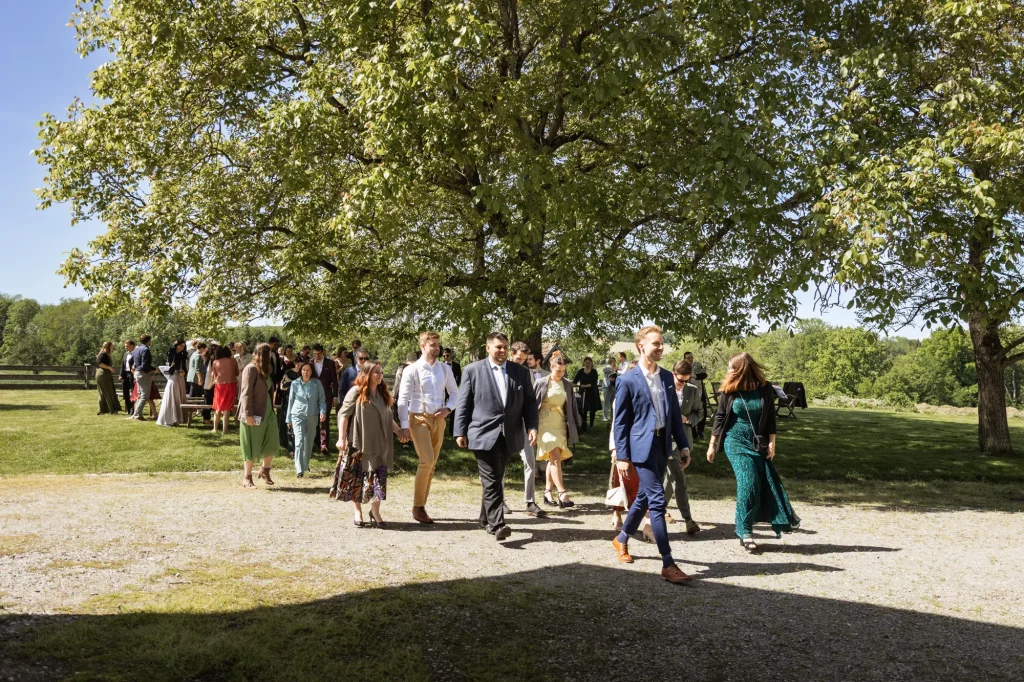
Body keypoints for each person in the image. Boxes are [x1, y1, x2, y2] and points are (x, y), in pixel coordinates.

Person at [610, 326, 693, 584]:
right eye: (655, 343)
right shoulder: (627, 380)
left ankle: (621, 539)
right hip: (640, 449)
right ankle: (668, 563)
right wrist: (622, 456)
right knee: (657, 501)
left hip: (662, 446)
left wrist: (684, 446)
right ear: (641, 346)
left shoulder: (668, 377)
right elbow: (620, 423)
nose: (660, 347)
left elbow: (673, 418)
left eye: (662, 343)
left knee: (644, 498)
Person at [706, 352, 800, 552]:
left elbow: (771, 419)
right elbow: (720, 417)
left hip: (757, 442)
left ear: (742, 369)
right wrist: (712, 444)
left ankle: (748, 524)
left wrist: (772, 443)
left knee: (758, 484)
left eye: (732, 367)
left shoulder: (765, 388)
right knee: (748, 483)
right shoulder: (729, 389)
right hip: (735, 441)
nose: (728, 370)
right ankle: (744, 531)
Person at [454, 332, 539, 543]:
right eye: (498, 347)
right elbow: (464, 402)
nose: (502, 351)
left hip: (509, 434)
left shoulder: (519, 372)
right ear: (488, 348)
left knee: (495, 476)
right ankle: (497, 524)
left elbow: (529, 402)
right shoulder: (473, 370)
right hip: (483, 432)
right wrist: (459, 430)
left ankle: (484, 518)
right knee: (492, 478)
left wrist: (532, 426)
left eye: (504, 347)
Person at [333, 361, 405, 528]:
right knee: (356, 478)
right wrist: (341, 438)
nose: (380, 375)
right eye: (376, 372)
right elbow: (343, 415)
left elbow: (388, 418)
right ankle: (357, 511)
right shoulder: (356, 392)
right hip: (358, 443)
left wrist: (399, 431)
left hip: (380, 444)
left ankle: (375, 512)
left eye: (381, 372)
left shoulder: (382, 393)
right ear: (367, 374)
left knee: (378, 479)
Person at [396, 332, 459, 524]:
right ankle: (418, 506)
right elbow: (402, 400)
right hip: (418, 418)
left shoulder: (444, 369)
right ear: (423, 346)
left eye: (438, 345)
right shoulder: (412, 370)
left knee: (432, 465)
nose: (437, 348)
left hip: (438, 419)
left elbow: (456, 393)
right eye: (432, 345)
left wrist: (448, 408)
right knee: (426, 460)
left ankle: (421, 504)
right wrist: (404, 426)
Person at [537, 351, 582, 508]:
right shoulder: (541, 383)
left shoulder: (567, 384)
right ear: (551, 367)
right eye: (558, 371)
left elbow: (572, 407)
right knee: (555, 457)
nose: (560, 374)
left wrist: (577, 424)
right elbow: (531, 405)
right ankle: (562, 493)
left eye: (563, 371)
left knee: (553, 459)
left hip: (560, 424)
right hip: (544, 424)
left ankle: (548, 492)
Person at [507, 342, 547, 517]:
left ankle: (529, 501)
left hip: (523, 424)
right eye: (518, 359)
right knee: (500, 463)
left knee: (530, 461)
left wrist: (532, 426)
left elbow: (531, 402)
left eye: (524, 360)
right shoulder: (502, 371)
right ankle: (499, 500)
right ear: (511, 354)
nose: (521, 362)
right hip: (504, 424)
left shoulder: (527, 373)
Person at [666, 360, 702, 535]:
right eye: (680, 380)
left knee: (672, 478)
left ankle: (658, 511)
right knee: (678, 479)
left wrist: (686, 420)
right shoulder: (663, 388)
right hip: (663, 440)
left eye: (686, 380)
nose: (683, 384)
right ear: (673, 374)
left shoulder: (692, 391)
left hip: (683, 440)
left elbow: (699, 413)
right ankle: (688, 519)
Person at [238, 343, 280, 487]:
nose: (270, 355)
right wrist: (248, 414)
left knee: (273, 441)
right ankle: (247, 477)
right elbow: (246, 393)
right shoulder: (250, 369)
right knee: (251, 444)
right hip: (253, 413)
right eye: (267, 352)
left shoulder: (266, 370)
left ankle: (265, 469)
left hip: (268, 412)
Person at [607, 360, 640, 530]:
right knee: (621, 480)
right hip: (623, 444)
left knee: (640, 482)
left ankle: (640, 517)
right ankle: (617, 512)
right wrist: (614, 448)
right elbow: (616, 424)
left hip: (642, 444)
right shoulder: (621, 394)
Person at [286, 361, 326, 477]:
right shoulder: (295, 383)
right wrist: (289, 419)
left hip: (312, 416)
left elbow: (322, 400)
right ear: (301, 371)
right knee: (299, 442)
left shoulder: (317, 383)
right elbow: (291, 401)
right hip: (297, 415)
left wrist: (322, 412)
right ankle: (299, 469)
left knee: (308, 443)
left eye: (308, 370)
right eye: (304, 370)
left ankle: (305, 464)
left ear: (312, 371)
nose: (306, 372)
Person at [310, 343, 339, 454]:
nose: (316, 356)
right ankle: (316, 442)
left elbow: (334, 381)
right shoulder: (310, 364)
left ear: (323, 352)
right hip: (312, 395)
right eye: (315, 354)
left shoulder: (330, 363)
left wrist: (335, 396)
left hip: (326, 394)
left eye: (319, 354)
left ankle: (324, 444)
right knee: (314, 419)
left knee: (324, 419)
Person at [157, 339, 188, 427]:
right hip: (173, 377)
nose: (181, 348)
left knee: (179, 397)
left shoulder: (182, 355)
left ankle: (177, 419)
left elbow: (185, 367)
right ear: (176, 345)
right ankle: (168, 419)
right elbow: (170, 363)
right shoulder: (172, 353)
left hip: (180, 378)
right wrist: (174, 349)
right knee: (172, 396)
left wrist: (184, 372)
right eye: (180, 345)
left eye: (183, 346)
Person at [276, 356, 302, 459]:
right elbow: (283, 387)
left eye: (301, 363)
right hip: (288, 400)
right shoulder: (288, 372)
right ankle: (290, 446)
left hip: (300, 400)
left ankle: (298, 446)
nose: (299, 365)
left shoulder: (304, 373)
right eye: (297, 363)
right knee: (289, 423)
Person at [212, 345, 239, 434]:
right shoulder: (233, 361)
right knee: (227, 408)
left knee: (218, 407)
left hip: (219, 385)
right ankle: (225, 430)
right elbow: (237, 373)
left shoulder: (215, 362)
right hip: (231, 385)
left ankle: (215, 428)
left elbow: (215, 376)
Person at [131, 334, 157, 421]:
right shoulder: (145, 350)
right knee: (145, 395)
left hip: (137, 372)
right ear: (148, 341)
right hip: (143, 373)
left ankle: (136, 414)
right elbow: (145, 365)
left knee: (140, 394)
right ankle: (138, 415)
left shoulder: (136, 349)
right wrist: (153, 371)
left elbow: (132, 361)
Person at [572, 356, 601, 431]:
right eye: (586, 363)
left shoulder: (594, 372)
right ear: (584, 363)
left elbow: (593, 382)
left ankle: (591, 424)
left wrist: (585, 385)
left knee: (592, 409)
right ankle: (584, 423)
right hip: (583, 392)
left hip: (592, 392)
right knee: (583, 408)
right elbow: (575, 381)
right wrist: (573, 385)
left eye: (589, 363)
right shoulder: (581, 371)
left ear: (591, 363)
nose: (587, 364)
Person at [95, 342, 120, 415]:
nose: (113, 348)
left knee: (103, 392)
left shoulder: (105, 354)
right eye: (112, 346)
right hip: (103, 374)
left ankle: (102, 410)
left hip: (104, 374)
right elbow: (99, 363)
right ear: (108, 347)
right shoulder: (103, 354)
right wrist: (109, 367)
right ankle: (112, 410)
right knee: (108, 392)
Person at [201, 344, 217, 425]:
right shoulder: (211, 359)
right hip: (209, 382)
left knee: (207, 400)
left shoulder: (206, 358)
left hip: (207, 382)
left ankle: (206, 418)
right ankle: (206, 418)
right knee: (208, 401)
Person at [119, 340, 136, 411]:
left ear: (132, 346)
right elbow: (123, 365)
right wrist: (120, 375)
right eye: (125, 346)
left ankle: (133, 409)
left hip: (132, 374)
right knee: (125, 392)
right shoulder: (126, 354)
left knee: (133, 392)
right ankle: (129, 409)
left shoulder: (136, 354)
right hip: (125, 374)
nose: (126, 348)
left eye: (127, 346)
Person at [602, 355, 616, 421]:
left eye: (614, 361)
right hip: (606, 386)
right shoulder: (607, 367)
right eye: (612, 361)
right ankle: (604, 416)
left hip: (612, 387)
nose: (613, 362)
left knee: (612, 402)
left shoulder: (615, 368)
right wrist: (612, 369)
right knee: (606, 402)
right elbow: (604, 371)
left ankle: (612, 416)